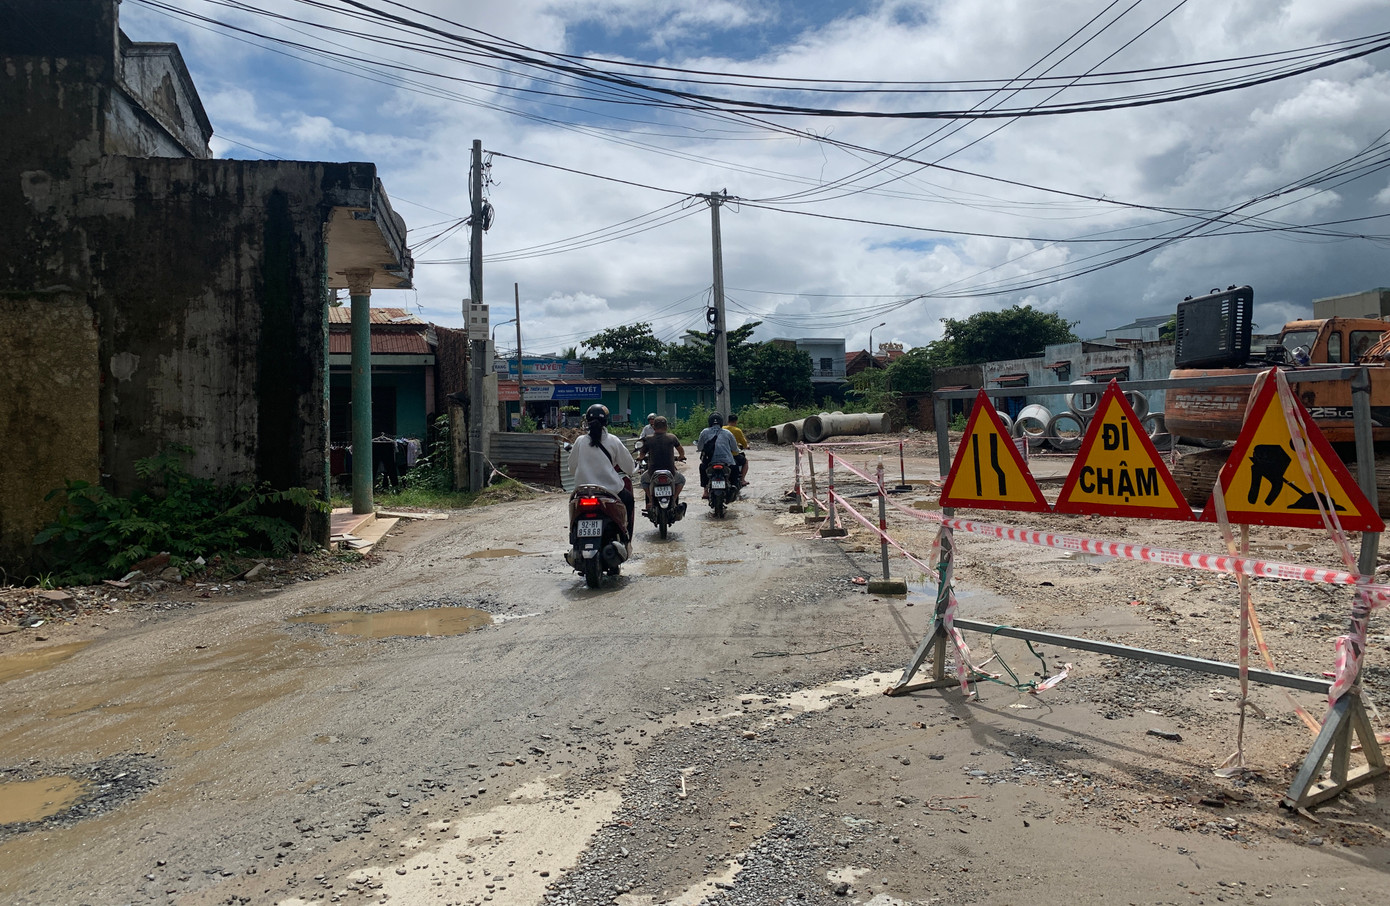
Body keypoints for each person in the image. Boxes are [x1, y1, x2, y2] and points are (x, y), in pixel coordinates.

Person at [568, 403, 637, 540]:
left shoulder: (580, 441)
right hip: (610, 491)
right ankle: (627, 538)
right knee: (628, 500)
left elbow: (571, 469)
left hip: (583, 491)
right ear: (606, 421)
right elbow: (629, 468)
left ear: (587, 421)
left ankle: (573, 535)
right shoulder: (613, 440)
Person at [638, 416, 686, 514]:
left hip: (652, 473)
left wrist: (639, 458)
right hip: (670, 472)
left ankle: (651, 500)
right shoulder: (672, 437)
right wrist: (681, 457)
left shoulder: (648, 439)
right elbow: (681, 450)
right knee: (681, 480)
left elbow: (641, 454)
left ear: (654, 427)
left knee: (643, 480)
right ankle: (674, 499)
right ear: (666, 427)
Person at [695, 413, 740, 499]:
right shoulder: (727, 433)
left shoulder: (704, 432)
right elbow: (734, 448)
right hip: (726, 461)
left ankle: (705, 491)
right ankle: (734, 486)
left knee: (702, 468)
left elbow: (699, 447)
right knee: (735, 468)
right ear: (721, 422)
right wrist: (737, 450)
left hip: (709, 461)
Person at [725, 413, 750, 487]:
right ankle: (742, 480)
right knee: (745, 461)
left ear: (728, 421)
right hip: (734, 454)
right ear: (736, 421)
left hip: (723, 454)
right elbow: (744, 443)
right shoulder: (737, 430)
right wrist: (746, 446)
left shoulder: (722, 429)